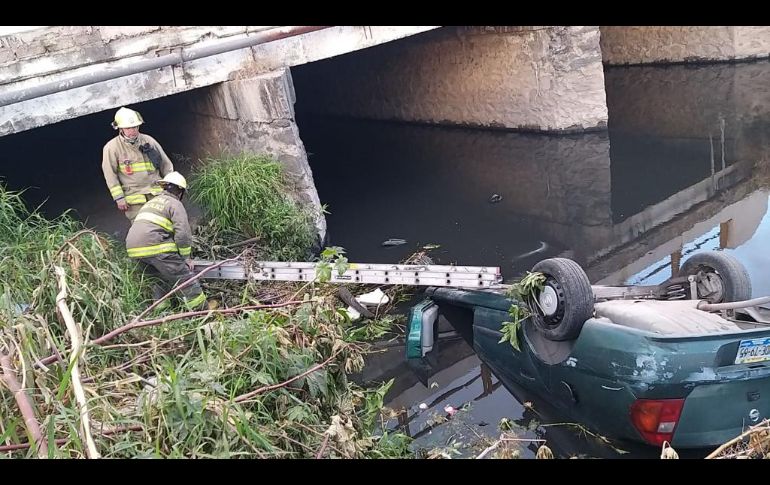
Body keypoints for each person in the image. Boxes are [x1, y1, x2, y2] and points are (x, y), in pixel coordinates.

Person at [125, 172, 208, 311]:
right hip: (156, 248)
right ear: (180, 191)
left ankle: (162, 313)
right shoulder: (174, 204)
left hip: (134, 250)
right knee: (185, 280)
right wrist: (185, 258)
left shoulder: (150, 202)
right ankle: (203, 312)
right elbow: (183, 235)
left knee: (158, 281)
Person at [102, 107, 174, 221]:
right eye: (128, 128)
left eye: (135, 127)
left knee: (166, 222)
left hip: (156, 193)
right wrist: (119, 198)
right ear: (120, 129)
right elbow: (110, 174)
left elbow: (165, 164)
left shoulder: (148, 141)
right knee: (143, 230)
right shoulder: (112, 148)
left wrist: (172, 186)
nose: (133, 131)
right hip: (135, 200)